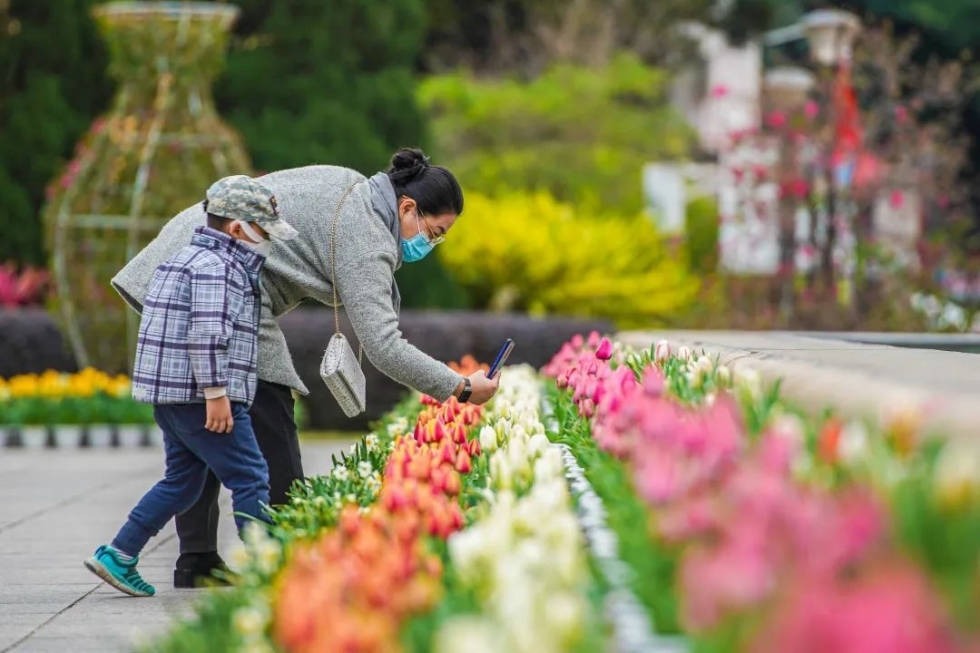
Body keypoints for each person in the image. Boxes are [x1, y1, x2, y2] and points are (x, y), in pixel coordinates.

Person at [111, 147, 500, 588]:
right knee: (269, 413)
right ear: (407, 207)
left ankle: (198, 561)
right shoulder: (367, 233)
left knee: (204, 435)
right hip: (212, 277)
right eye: (435, 232)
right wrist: (460, 388)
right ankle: (283, 562)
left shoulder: (354, 186)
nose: (432, 243)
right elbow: (385, 346)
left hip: (185, 259)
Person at [86, 176, 299, 596]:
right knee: (251, 476)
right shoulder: (219, 269)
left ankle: (120, 553)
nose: (269, 243)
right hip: (204, 397)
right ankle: (267, 568)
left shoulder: (183, 259)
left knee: (183, 481)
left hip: (173, 397)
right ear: (238, 229)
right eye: (266, 232)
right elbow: (206, 334)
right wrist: (216, 395)